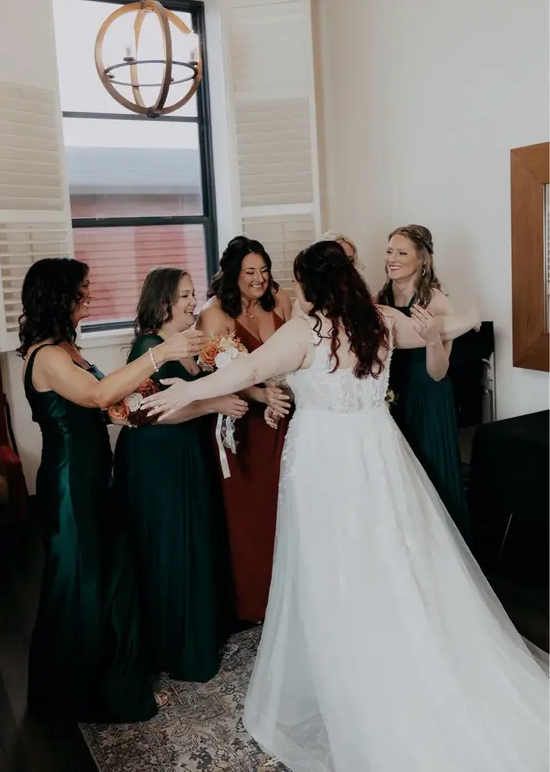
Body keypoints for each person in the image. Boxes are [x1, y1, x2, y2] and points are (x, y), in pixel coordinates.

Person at [145, 241, 547, 772]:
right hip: (379, 451)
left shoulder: (304, 331)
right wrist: (468, 318)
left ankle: (356, 666)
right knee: (394, 551)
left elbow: (248, 369)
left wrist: (184, 394)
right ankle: (406, 642)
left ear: (311, 284)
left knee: (334, 562)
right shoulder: (380, 319)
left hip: (326, 460)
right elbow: (437, 328)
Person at [18, 257, 204, 722]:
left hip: (96, 476)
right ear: (58, 297)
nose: (90, 296)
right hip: (69, 485)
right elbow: (97, 395)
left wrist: (137, 406)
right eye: (82, 290)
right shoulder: (47, 356)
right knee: (79, 587)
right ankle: (73, 695)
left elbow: (106, 405)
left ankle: (118, 684)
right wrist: (160, 353)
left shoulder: (68, 348)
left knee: (114, 578)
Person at [114, 267, 247, 682]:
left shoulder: (192, 343)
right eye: (185, 296)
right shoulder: (149, 347)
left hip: (188, 452)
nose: (193, 302)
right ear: (164, 302)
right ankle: (175, 646)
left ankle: (201, 630)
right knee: (173, 543)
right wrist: (213, 404)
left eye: (193, 294)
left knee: (195, 538)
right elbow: (148, 411)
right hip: (158, 459)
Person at [196, 236, 292, 623]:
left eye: (264, 270)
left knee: (287, 505)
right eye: (249, 272)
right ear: (233, 274)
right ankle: (256, 602)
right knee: (252, 513)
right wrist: (261, 395)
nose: (259, 279)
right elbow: (217, 378)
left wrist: (284, 394)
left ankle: (292, 592)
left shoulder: (279, 301)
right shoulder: (214, 314)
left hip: (285, 414)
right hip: (241, 424)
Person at [377, 224, 469, 535]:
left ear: (422, 259)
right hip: (392, 398)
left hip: (428, 398)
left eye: (402, 253)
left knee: (431, 475)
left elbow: (438, 372)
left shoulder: (436, 301)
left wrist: (431, 339)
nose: (392, 258)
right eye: (390, 251)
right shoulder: (380, 298)